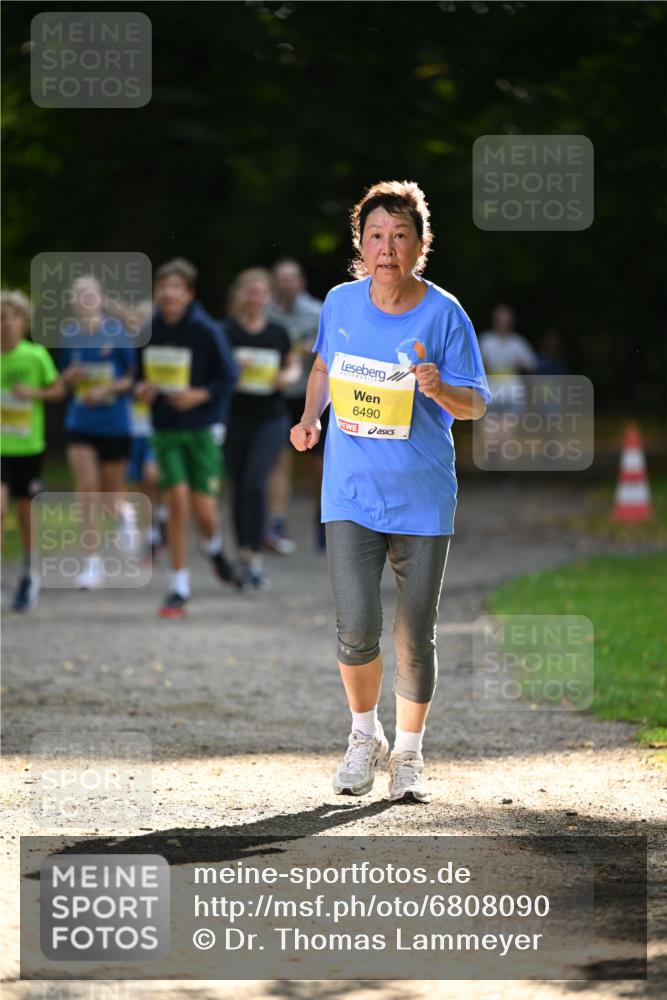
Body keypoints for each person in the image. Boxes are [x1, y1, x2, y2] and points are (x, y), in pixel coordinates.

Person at [291, 180, 491, 803]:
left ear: (420, 245)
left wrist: (440, 389)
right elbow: (324, 366)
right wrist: (310, 417)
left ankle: (408, 753)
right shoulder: (340, 304)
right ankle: (361, 737)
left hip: (422, 497)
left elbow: (476, 403)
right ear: (360, 243)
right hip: (349, 492)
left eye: (400, 235)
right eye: (376, 234)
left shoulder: (444, 313)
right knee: (355, 626)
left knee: (414, 632)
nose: (387, 246)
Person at [135, 258, 241, 618]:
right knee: (177, 502)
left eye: (175, 287)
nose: (167, 293)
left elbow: (229, 377)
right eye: (162, 286)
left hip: (202, 429)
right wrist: (143, 390)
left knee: (205, 512)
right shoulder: (149, 330)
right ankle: (178, 586)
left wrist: (199, 395)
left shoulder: (205, 330)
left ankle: (212, 546)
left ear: (188, 293)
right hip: (166, 429)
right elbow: (137, 377)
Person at [223, 268, 300, 589]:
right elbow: (210, 368)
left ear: (268, 297)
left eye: (261, 292)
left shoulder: (277, 332)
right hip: (234, 416)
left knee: (256, 481)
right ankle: (243, 554)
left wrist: (288, 377)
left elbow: (292, 364)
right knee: (240, 486)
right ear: (240, 295)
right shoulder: (225, 332)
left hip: (270, 416)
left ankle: (254, 555)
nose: (255, 298)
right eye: (249, 291)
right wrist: (230, 364)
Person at [58, 275, 136, 590]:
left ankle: (124, 513)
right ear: (73, 302)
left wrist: (107, 388)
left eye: (91, 294)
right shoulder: (69, 335)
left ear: (101, 299)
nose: (86, 299)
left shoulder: (117, 334)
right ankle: (92, 565)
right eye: (80, 295)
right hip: (80, 422)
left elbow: (131, 378)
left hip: (115, 423)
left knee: (107, 495)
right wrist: (71, 377)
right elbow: (65, 376)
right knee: (87, 490)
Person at [1, 290, 64, 610]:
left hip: (28, 446)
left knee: (26, 514)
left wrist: (33, 393)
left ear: (23, 322)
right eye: (1, 318)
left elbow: (58, 390)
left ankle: (29, 573)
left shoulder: (35, 355)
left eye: (12, 317)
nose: (6, 324)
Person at [265, 258, 322, 553]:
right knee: (279, 460)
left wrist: (309, 346)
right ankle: (276, 525)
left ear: (300, 282)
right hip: (278, 397)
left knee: (318, 466)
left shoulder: (317, 312)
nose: (285, 283)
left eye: (291, 278)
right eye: (280, 278)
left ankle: (325, 521)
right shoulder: (265, 312)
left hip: (311, 398)